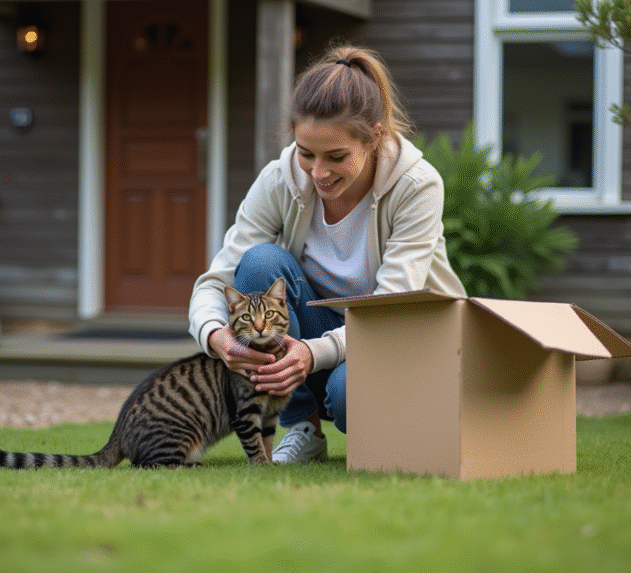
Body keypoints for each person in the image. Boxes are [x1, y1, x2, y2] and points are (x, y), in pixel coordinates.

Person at [188, 43, 466, 463]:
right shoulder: (280, 179)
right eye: (306, 153)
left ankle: (402, 416)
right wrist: (215, 335)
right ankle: (303, 427)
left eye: (337, 157)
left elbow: (390, 305)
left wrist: (311, 353)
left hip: (400, 335)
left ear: (374, 137)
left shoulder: (417, 185)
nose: (319, 172)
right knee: (260, 263)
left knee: (347, 393)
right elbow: (218, 280)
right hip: (317, 332)